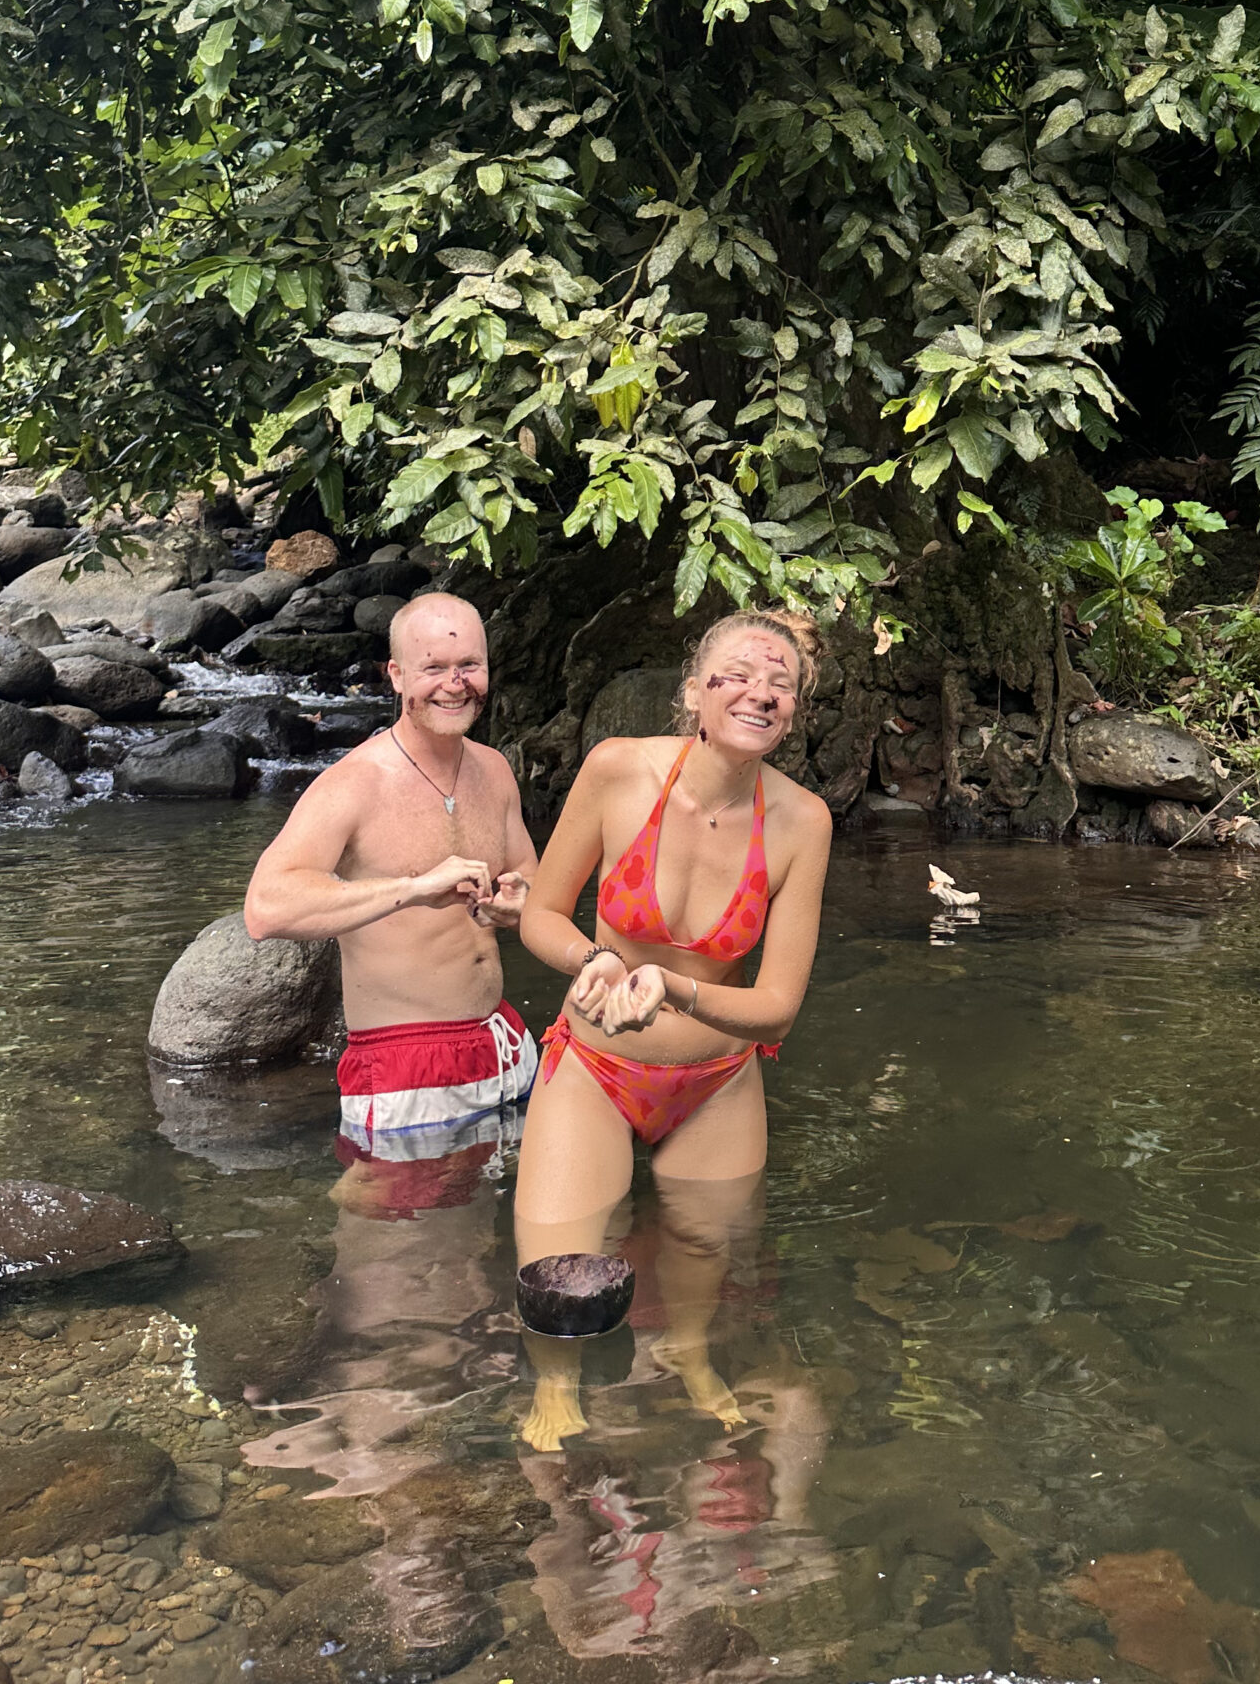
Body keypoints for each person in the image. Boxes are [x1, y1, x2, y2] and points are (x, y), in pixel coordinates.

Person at [513, 609, 833, 1450]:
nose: (760, 693)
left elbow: (778, 1007)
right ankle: (555, 1384)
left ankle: (689, 1356)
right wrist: (592, 960)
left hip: (718, 1083)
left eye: (781, 684)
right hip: (596, 1066)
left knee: (701, 1250)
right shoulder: (617, 770)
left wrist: (676, 989)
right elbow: (541, 914)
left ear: (794, 713)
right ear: (694, 692)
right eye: (739, 674)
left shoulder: (804, 821)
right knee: (556, 1270)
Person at [245, 589, 539, 1160]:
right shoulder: (354, 783)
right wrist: (412, 889)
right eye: (434, 668)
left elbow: (529, 873)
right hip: (402, 1061)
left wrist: (519, 899)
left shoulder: (495, 769)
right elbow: (266, 908)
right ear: (397, 676)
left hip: (503, 1043)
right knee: (391, 1219)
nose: (455, 684)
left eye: (469, 665)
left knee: (493, 1217)